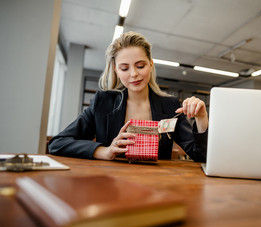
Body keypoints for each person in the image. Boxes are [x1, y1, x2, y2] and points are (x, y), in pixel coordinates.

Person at [49, 31, 208, 162]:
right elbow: (57, 144)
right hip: (110, 187)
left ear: (151, 64)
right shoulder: (103, 103)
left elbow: (201, 156)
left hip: (157, 188)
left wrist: (201, 118)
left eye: (140, 66)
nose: (134, 74)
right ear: (116, 70)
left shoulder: (170, 106)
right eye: (124, 68)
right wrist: (104, 151)